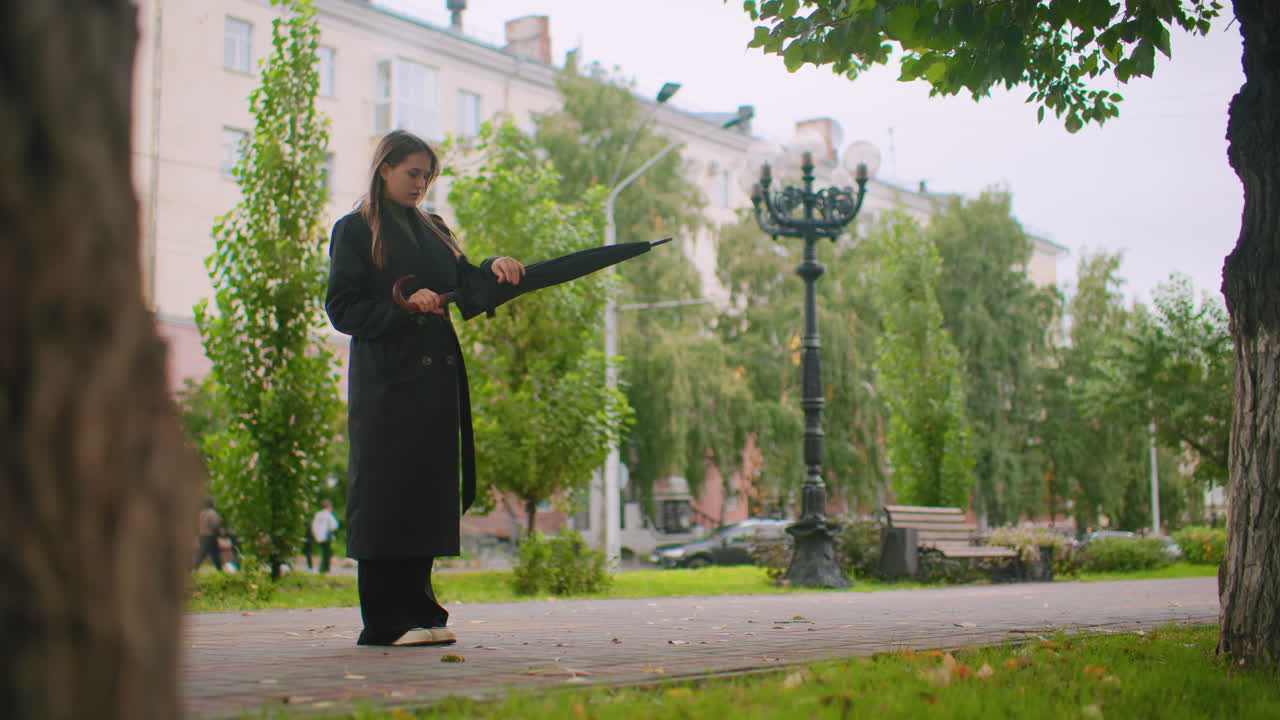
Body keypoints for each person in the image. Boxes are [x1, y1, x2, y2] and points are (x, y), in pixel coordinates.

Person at [325, 129, 525, 648]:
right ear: (385, 167)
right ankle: (385, 621)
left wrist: (495, 268)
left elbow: (465, 283)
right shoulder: (354, 230)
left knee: (424, 489)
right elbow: (342, 309)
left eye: (428, 177)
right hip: (386, 379)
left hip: (434, 377)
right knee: (386, 490)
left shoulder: (435, 228)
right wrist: (401, 305)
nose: (421, 184)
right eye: (413, 173)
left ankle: (421, 611)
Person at [310, 499, 340, 574]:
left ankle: (323, 568)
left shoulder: (318, 514)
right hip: (327, 536)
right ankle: (324, 568)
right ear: (329, 506)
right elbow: (334, 525)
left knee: (324, 551)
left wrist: (316, 535)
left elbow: (313, 526)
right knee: (327, 553)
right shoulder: (328, 515)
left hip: (319, 536)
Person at [194, 497, 224, 571]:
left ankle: (220, 569)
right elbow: (215, 524)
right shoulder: (212, 513)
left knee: (214, 553)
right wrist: (220, 532)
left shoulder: (201, 513)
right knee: (204, 553)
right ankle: (194, 568)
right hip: (210, 536)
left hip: (202, 535)